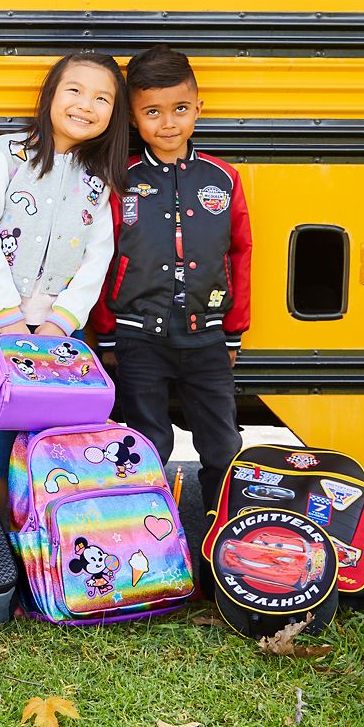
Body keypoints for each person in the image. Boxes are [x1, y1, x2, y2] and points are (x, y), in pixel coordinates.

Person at [0, 52, 130, 516]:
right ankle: (1, 546)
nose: (85, 105)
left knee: (48, 448)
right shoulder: (4, 154)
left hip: (57, 338)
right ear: (50, 94)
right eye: (74, 90)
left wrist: (63, 322)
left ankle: (42, 548)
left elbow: (98, 255)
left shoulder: (99, 179)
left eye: (101, 98)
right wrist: (7, 315)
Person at [91, 44, 252, 511]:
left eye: (180, 109)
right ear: (133, 117)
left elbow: (240, 253)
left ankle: (224, 525)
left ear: (199, 107)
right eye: (153, 112)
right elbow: (103, 256)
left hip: (207, 337)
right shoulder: (122, 177)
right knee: (147, 440)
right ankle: (144, 523)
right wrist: (105, 333)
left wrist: (234, 330)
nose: (168, 123)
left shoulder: (222, 177)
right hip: (139, 336)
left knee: (222, 441)